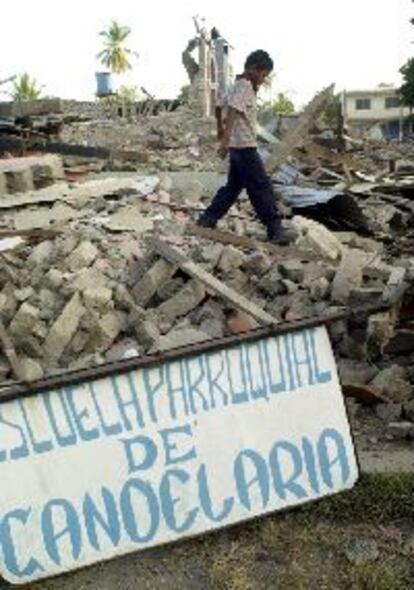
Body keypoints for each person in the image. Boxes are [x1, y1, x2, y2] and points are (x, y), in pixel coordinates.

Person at [198, 50, 294, 244]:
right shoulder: (244, 86)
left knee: (233, 188)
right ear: (253, 69)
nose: (263, 79)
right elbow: (232, 111)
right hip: (244, 147)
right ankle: (275, 230)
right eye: (263, 74)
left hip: (238, 147)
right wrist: (224, 141)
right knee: (261, 186)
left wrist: (220, 129)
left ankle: (207, 219)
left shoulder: (236, 85)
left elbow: (219, 106)